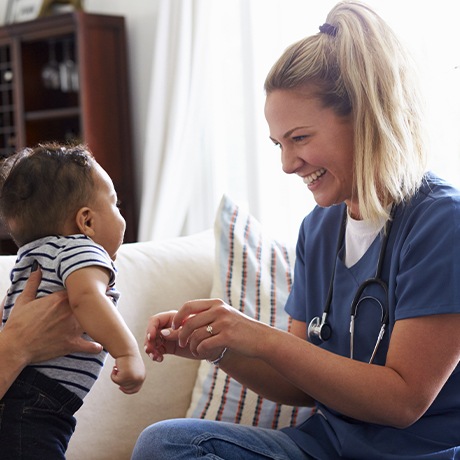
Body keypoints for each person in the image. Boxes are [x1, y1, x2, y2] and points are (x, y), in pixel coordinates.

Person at [134, 2, 460, 459]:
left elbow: (405, 400)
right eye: (278, 144)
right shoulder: (319, 228)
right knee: (167, 443)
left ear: (364, 118)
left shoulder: (441, 222)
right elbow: (300, 385)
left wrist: (262, 337)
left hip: (416, 453)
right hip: (326, 446)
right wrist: (218, 346)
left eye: (300, 138)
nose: (287, 164)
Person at [0, 143, 145, 459]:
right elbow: (86, 297)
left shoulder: (31, 258)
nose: (121, 214)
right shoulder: (81, 249)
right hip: (39, 401)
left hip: (18, 395)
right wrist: (127, 352)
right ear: (87, 222)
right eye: (115, 204)